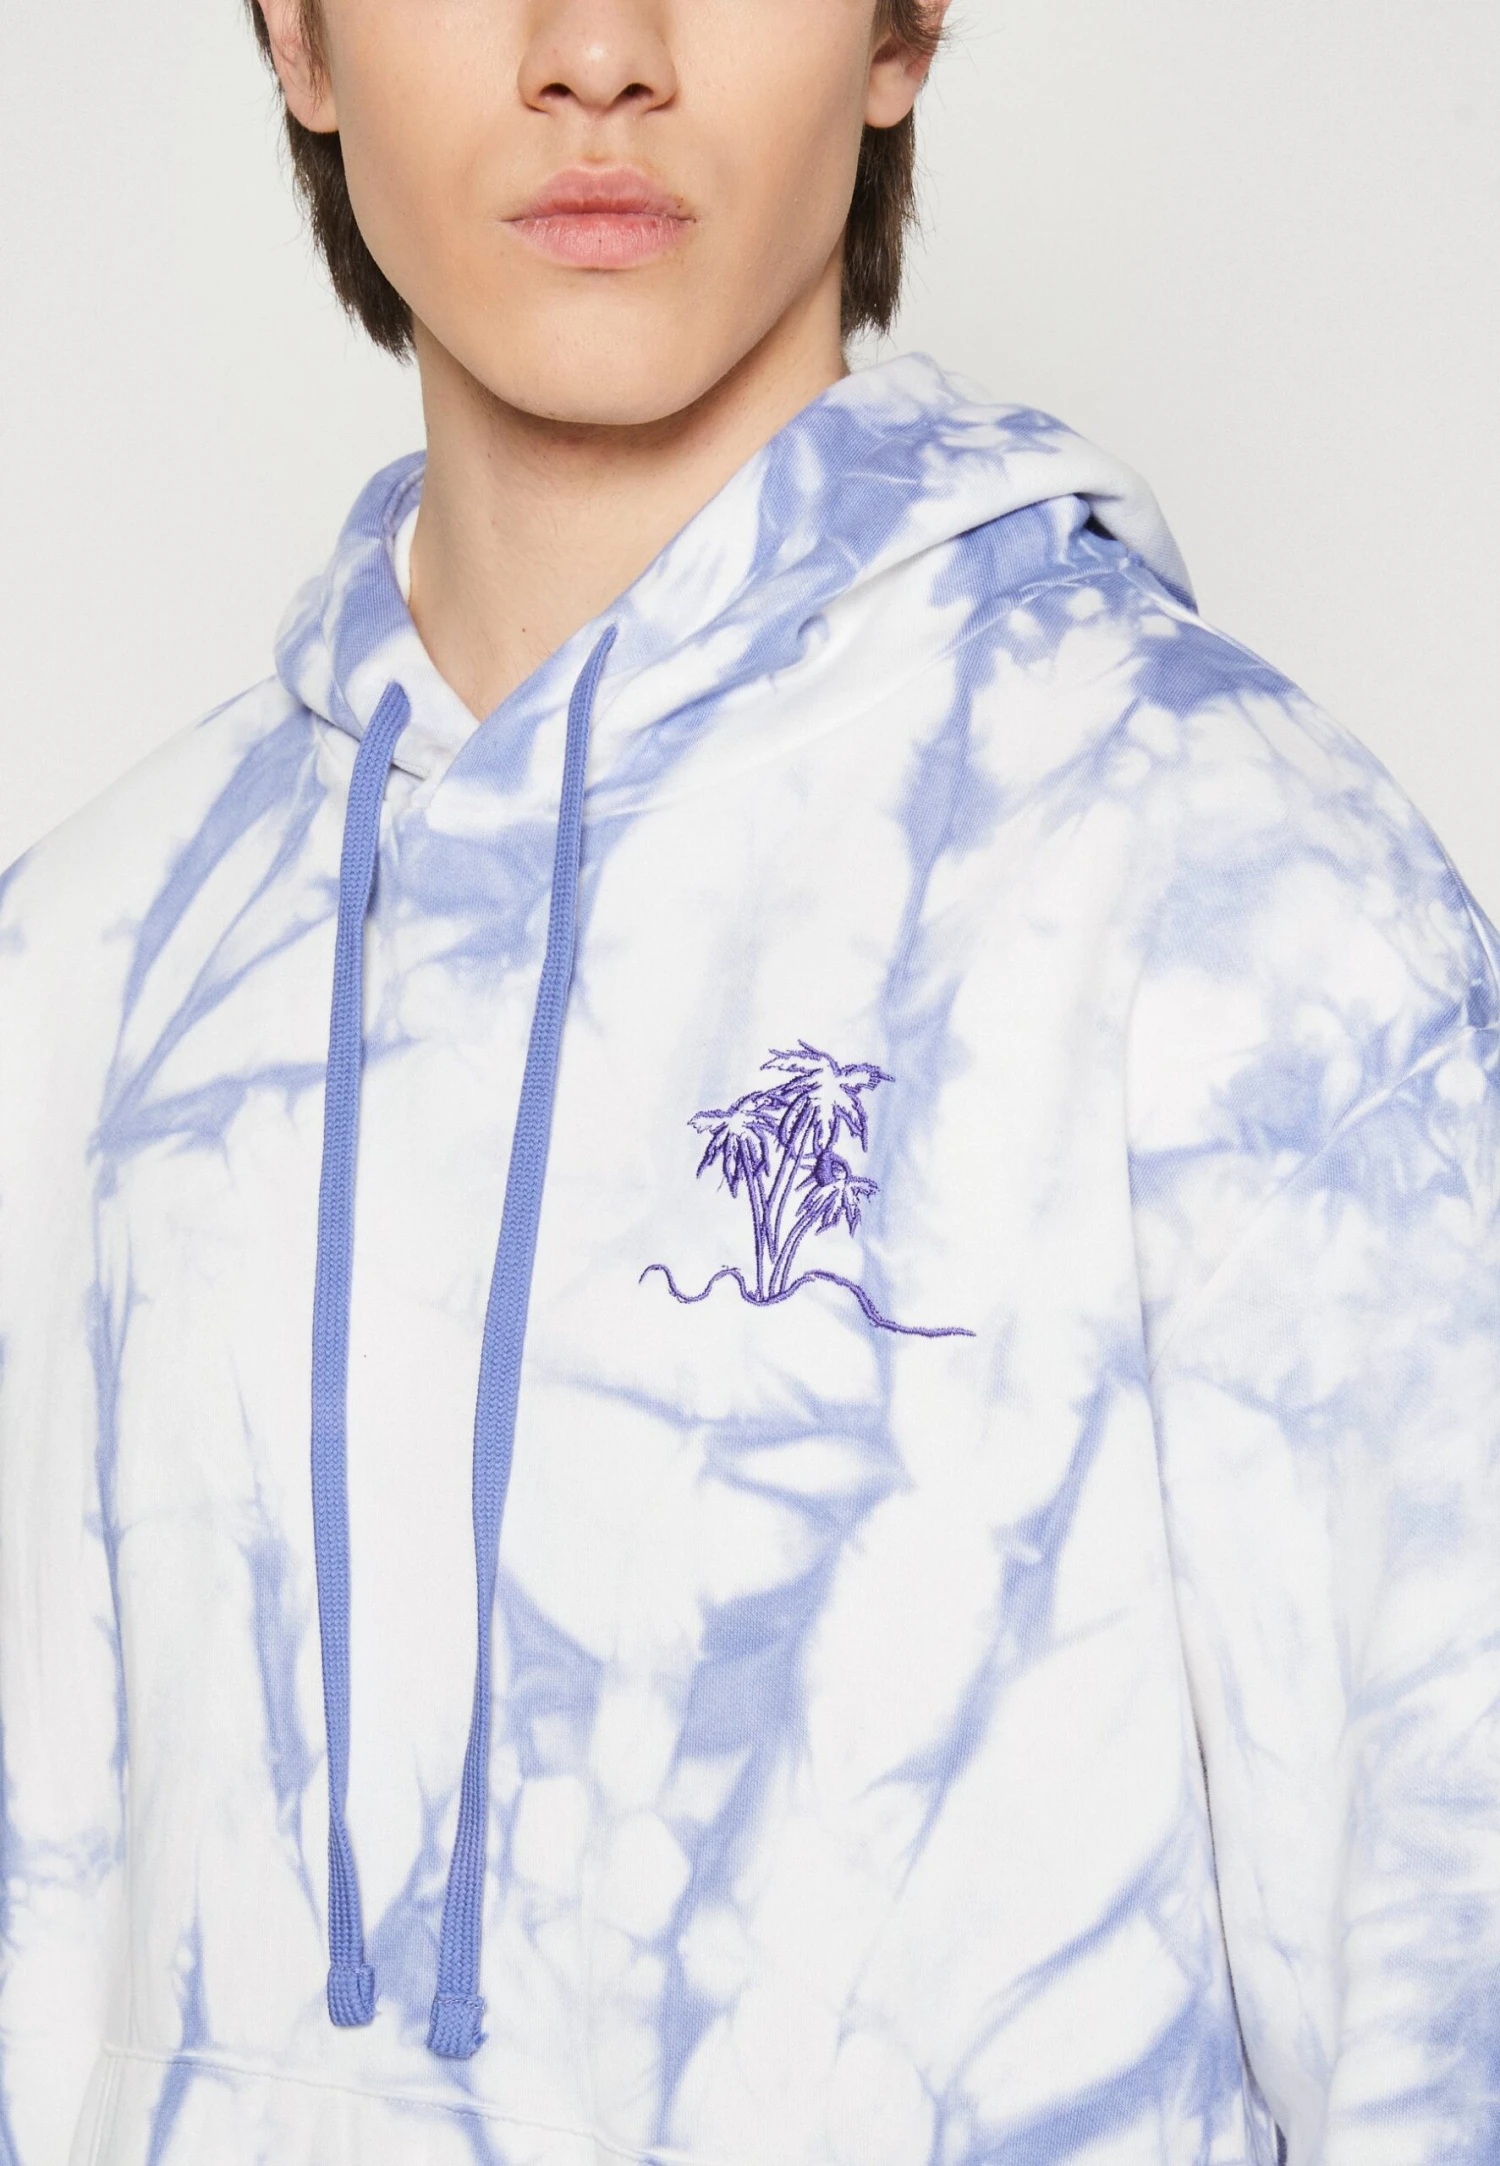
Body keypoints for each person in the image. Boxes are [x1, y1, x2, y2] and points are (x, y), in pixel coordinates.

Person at [1, 0, 1496, 2159]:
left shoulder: (1244, 906)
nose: (599, 50)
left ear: (903, 26)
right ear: (296, 35)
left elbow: (1447, 2013)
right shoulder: (82, 977)